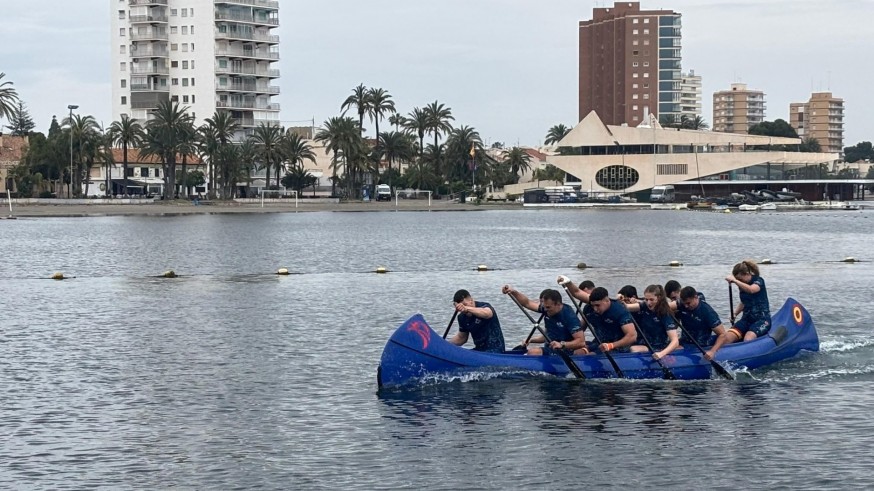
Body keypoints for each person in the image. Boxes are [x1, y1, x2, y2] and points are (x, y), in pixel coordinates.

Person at [502, 285, 586, 356]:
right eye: (544, 307)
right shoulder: (546, 308)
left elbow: (581, 342)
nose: (545, 310)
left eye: (548, 307)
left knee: (533, 352)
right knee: (531, 351)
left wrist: (562, 344)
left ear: (558, 304)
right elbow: (527, 303)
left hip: (566, 350)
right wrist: (513, 292)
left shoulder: (569, 316)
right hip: (551, 349)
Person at [713, 260, 771, 351]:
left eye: (740, 279)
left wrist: (735, 281)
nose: (739, 282)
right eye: (738, 280)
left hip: (762, 320)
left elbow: (752, 290)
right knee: (726, 339)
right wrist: (735, 314)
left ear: (746, 274)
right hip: (746, 319)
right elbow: (744, 302)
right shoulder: (742, 285)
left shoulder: (758, 280)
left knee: (748, 338)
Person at [624, 285, 680, 360]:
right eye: (646, 299)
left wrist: (661, 354)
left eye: (651, 300)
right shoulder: (644, 306)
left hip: (657, 347)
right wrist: (621, 300)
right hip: (643, 343)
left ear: (659, 298)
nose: (648, 303)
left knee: (633, 349)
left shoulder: (665, 314)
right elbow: (625, 307)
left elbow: (675, 341)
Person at [579, 287, 638, 354]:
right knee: (578, 352)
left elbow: (632, 336)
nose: (595, 309)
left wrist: (611, 345)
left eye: (597, 305)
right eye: (593, 306)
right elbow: (580, 329)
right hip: (599, 343)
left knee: (591, 355)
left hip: (618, 347)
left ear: (607, 301)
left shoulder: (619, 311)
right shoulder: (588, 309)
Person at [675, 286, 728, 360]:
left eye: (688, 303)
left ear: (695, 297)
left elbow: (722, 334)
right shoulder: (682, 305)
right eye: (684, 304)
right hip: (684, 341)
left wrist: (712, 351)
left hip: (700, 345)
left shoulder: (707, 312)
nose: (686, 306)